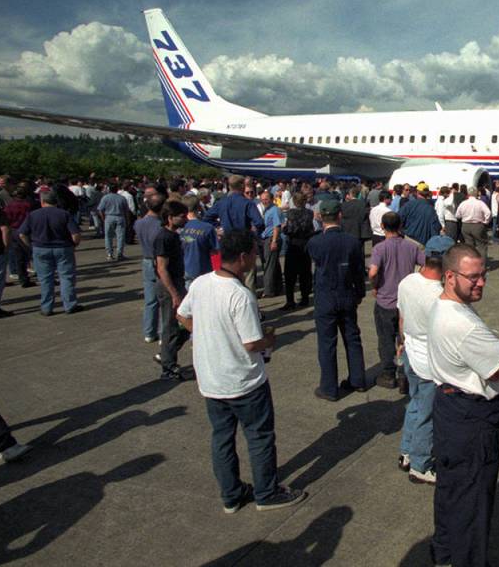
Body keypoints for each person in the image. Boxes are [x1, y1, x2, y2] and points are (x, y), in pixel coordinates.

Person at [176, 230, 306, 513]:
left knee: (222, 437)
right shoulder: (240, 295)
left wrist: (206, 334)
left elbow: (182, 314)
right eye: (254, 253)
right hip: (243, 382)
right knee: (259, 437)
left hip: (211, 379)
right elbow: (251, 343)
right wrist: (270, 340)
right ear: (244, 257)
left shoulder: (200, 283)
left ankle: (231, 494)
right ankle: (266, 493)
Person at [428, 244, 499, 567]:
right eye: (473, 277)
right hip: (471, 418)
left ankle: (444, 553)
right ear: (450, 276)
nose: (481, 282)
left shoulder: (443, 305)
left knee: (452, 490)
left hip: (449, 407)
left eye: (484, 275)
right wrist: (498, 345)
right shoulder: (463, 325)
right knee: (474, 502)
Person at [396, 240, 447, 485]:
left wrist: (402, 341)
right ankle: (420, 464)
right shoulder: (440, 295)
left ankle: (406, 450)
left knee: (415, 404)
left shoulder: (407, 281)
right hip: (428, 361)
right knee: (427, 412)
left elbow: (402, 317)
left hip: (410, 352)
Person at [308, 200, 367, 400]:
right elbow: (359, 271)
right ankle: (358, 379)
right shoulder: (351, 241)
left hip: (326, 295)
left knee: (327, 343)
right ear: (339, 216)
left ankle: (329, 387)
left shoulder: (315, 242)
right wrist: (360, 293)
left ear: (321, 217)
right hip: (346, 293)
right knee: (352, 337)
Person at [369, 211, 426, 390]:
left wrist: (375, 286)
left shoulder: (379, 248)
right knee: (405, 338)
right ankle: (404, 374)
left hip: (386, 300)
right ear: (400, 226)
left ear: (383, 227)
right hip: (406, 301)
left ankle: (388, 373)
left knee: (386, 339)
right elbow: (426, 264)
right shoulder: (411, 247)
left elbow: (372, 272)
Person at [18, 191, 82, 316]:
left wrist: (30, 246)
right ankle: (70, 305)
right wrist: (73, 245)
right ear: (56, 202)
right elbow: (76, 234)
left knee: (45, 279)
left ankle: (47, 307)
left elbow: (22, 234)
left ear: (42, 202)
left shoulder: (33, 215)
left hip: (41, 248)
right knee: (66, 277)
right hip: (62, 248)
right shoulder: (64, 214)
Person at [154, 200, 191, 381]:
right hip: (170, 286)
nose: (185, 219)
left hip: (177, 283)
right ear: (170, 218)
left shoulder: (174, 235)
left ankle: (167, 355)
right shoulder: (164, 237)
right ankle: (168, 368)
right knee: (171, 326)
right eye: (181, 216)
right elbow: (162, 268)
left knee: (187, 323)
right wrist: (174, 293)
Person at [134, 193, 165, 342]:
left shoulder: (139, 223)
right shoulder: (160, 225)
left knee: (150, 299)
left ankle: (149, 331)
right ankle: (162, 332)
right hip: (158, 260)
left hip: (146, 259)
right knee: (164, 299)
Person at [280, 192, 315, 311]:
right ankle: (305, 297)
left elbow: (289, 229)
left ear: (294, 202)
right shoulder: (309, 213)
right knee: (305, 272)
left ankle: (290, 301)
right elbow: (312, 229)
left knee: (290, 274)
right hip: (305, 244)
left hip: (293, 244)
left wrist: (284, 229)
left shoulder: (290, 213)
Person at [179, 195, 219, 286]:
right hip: (204, 271)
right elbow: (215, 252)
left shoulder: (179, 228)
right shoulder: (207, 228)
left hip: (185, 269)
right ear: (198, 207)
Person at [456, 188, 492, 262]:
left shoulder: (463, 203)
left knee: (469, 246)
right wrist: (485, 222)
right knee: (481, 246)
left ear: (468, 194)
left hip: (465, 225)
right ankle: (481, 265)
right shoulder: (480, 203)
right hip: (478, 225)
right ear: (476, 193)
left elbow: (457, 215)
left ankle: (470, 264)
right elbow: (488, 213)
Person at [97, 185, 129, 261]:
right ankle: (120, 253)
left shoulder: (105, 198)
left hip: (109, 217)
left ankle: (109, 254)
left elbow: (100, 209)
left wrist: (103, 218)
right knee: (120, 236)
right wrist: (127, 220)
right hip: (120, 217)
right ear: (117, 189)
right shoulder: (122, 198)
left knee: (108, 236)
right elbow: (126, 211)